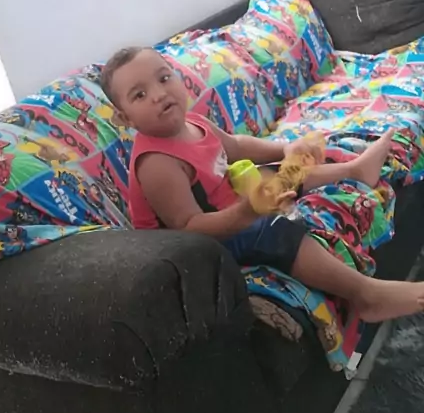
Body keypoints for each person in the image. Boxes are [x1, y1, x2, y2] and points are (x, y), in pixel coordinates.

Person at [100, 46, 424, 323]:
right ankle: (366, 295)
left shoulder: (193, 122)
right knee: (273, 228)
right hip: (191, 250)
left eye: (163, 78)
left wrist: (286, 150)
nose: (159, 94)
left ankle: (354, 171)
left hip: (224, 208)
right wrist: (246, 213)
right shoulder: (157, 164)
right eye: (140, 95)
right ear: (126, 119)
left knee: (281, 174)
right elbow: (188, 227)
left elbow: (237, 146)